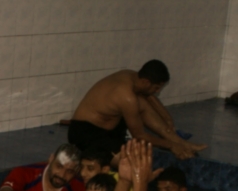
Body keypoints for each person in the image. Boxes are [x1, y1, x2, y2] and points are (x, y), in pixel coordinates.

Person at [68, 60, 207, 160]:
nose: (157, 91)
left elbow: (149, 97)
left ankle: (183, 143)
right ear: (146, 82)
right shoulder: (126, 96)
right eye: (157, 88)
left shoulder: (132, 76)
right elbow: (140, 136)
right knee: (128, 161)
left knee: (141, 102)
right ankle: (176, 144)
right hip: (85, 132)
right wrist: (171, 146)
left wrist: (168, 119)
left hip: (109, 128)